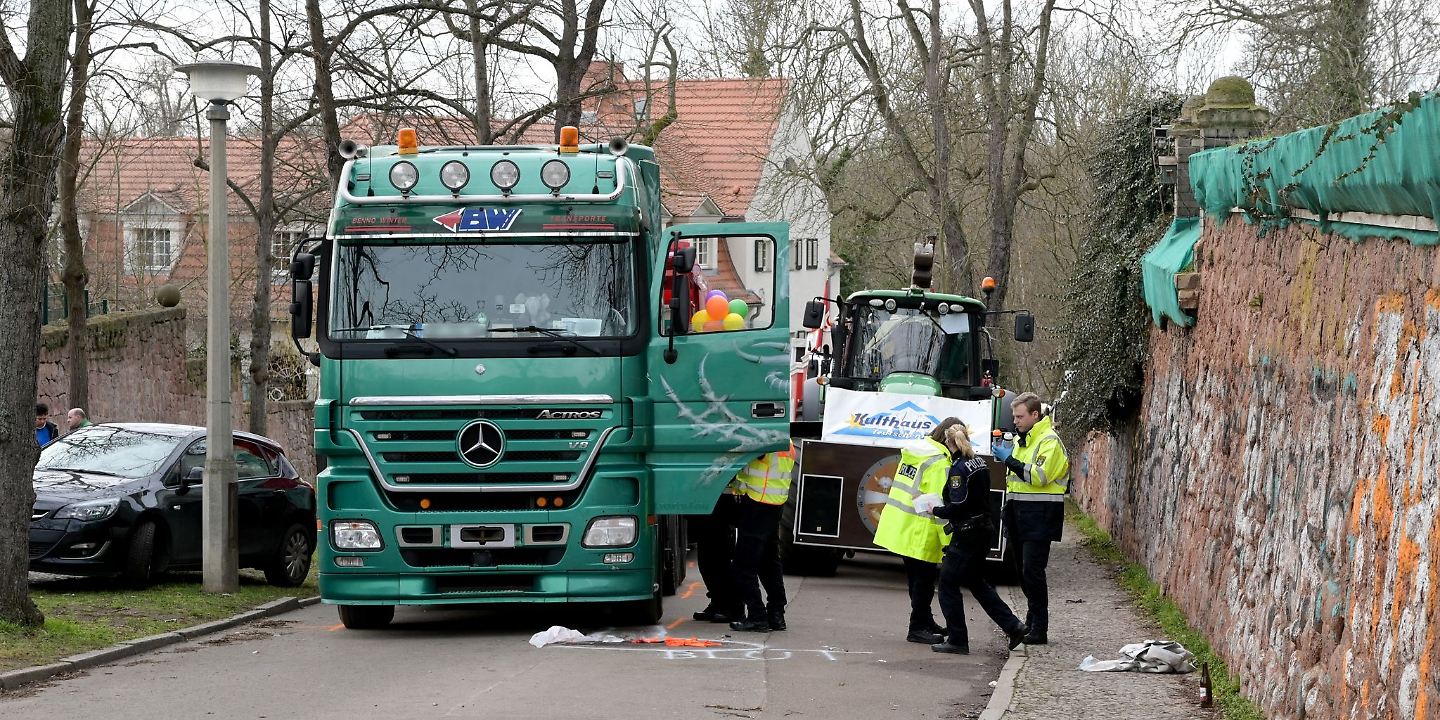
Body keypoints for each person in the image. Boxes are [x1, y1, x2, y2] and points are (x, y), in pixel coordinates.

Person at [928, 422, 1027, 654]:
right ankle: (1014, 626)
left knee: (947, 584)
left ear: (948, 443)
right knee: (977, 583)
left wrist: (935, 510)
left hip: (967, 534)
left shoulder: (959, 468)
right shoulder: (979, 462)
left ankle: (958, 639)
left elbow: (959, 504)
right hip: (983, 530)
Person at [872, 417, 960, 644]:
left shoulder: (917, 453)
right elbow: (938, 505)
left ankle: (924, 620)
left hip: (902, 527)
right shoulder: (939, 463)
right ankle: (918, 627)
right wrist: (949, 540)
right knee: (924, 581)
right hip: (921, 531)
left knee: (917, 580)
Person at [992, 392, 1070, 645]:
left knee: (1032, 571)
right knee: (1022, 572)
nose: (1015, 421)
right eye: (1014, 416)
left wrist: (1010, 459)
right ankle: (1031, 620)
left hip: (1041, 514)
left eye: (1020, 416)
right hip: (1019, 512)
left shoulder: (1050, 442)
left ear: (1035, 415)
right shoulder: (1022, 440)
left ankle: (1040, 628)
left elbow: (1039, 476)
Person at [727, 441, 796, 632]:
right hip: (774, 503)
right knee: (769, 562)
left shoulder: (766, 439)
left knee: (743, 565)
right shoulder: (786, 442)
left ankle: (757, 616)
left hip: (758, 502)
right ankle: (776, 614)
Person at [690, 486, 743, 624]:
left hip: (722, 503)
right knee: (705, 561)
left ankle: (730, 607)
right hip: (704, 499)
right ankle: (717, 602)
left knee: (720, 560)